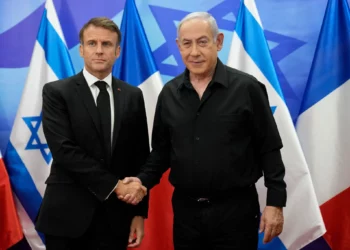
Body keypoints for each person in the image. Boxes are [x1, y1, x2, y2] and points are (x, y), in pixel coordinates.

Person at [120, 12, 286, 250]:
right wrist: (142, 181)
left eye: (202, 41)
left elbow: (269, 148)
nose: (194, 52)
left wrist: (275, 203)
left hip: (236, 213)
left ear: (218, 42)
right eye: (187, 44)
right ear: (178, 46)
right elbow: (161, 152)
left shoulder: (247, 88)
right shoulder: (169, 94)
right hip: (186, 214)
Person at [35, 17, 149, 250]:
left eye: (106, 44)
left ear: (117, 51)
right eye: (92, 43)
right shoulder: (57, 92)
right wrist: (116, 186)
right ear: (81, 49)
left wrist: (138, 213)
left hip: (115, 219)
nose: (99, 50)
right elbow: (64, 151)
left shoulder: (132, 95)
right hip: (67, 218)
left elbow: (139, 156)